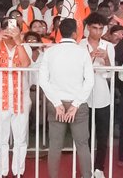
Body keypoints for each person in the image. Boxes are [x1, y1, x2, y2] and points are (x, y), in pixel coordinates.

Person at [37, 19, 95, 178]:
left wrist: (57, 103)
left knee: (55, 145)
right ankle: (87, 176)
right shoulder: (82, 52)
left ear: (59, 32)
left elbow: (43, 81)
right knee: (82, 145)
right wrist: (76, 104)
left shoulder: (50, 52)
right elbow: (89, 81)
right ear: (75, 33)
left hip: (56, 103)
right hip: (78, 104)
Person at [0, 17, 33, 178]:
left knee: (20, 138)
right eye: (6, 28)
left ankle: (18, 172)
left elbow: (26, 64)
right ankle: (2, 172)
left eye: (14, 28)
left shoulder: (25, 47)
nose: (10, 31)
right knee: (1, 138)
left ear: (20, 31)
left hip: (21, 99)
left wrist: (19, 42)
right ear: (1, 30)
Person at [80, 12, 116, 175]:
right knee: (84, 135)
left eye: (101, 29)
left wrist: (106, 58)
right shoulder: (80, 45)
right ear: (88, 28)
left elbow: (111, 72)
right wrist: (89, 58)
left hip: (102, 95)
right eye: (95, 28)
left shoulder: (108, 46)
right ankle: (86, 169)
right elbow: (77, 71)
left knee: (102, 135)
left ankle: (99, 168)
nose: (98, 32)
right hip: (84, 96)